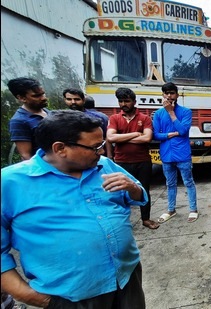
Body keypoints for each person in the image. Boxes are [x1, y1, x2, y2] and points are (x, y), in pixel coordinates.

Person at [1, 110, 148, 308]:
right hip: (71, 298)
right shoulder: (10, 183)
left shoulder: (104, 165)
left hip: (126, 278)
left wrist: (133, 188)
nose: (102, 152)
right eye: (95, 147)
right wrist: (37, 299)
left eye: (102, 145)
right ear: (60, 149)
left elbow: (138, 197)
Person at [107, 87, 159, 230]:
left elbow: (147, 138)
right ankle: (122, 222)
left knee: (144, 190)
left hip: (142, 161)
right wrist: (136, 134)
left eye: (127, 101)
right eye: (121, 101)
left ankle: (146, 219)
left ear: (134, 102)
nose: (124, 104)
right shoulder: (115, 118)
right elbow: (110, 137)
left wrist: (121, 139)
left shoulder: (145, 118)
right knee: (120, 192)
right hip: (122, 162)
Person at [152, 82, 198, 223]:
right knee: (170, 183)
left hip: (182, 154)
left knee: (188, 182)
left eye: (172, 93)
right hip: (166, 154)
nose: (169, 96)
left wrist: (171, 113)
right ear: (163, 95)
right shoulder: (158, 114)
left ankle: (193, 209)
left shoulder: (185, 112)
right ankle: (171, 209)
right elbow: (155, 135)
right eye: (166, 93)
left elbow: (183, 131)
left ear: (177, 95)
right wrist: (171, 134)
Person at [63, 88, 113, 158]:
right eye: (69, 99)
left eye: (77, 99)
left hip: (95, 155)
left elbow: (106, 138)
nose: (73, 102)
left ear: (83, 100)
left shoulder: (98, 117)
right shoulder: (61, 119)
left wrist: (109, 156)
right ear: (65, 100)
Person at [7, 77, 50, 160]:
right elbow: (26, 156)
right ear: (22, 98)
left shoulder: (48, 112)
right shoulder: (19, 121)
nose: (43, 98)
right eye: (37, 96)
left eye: (43, 94)